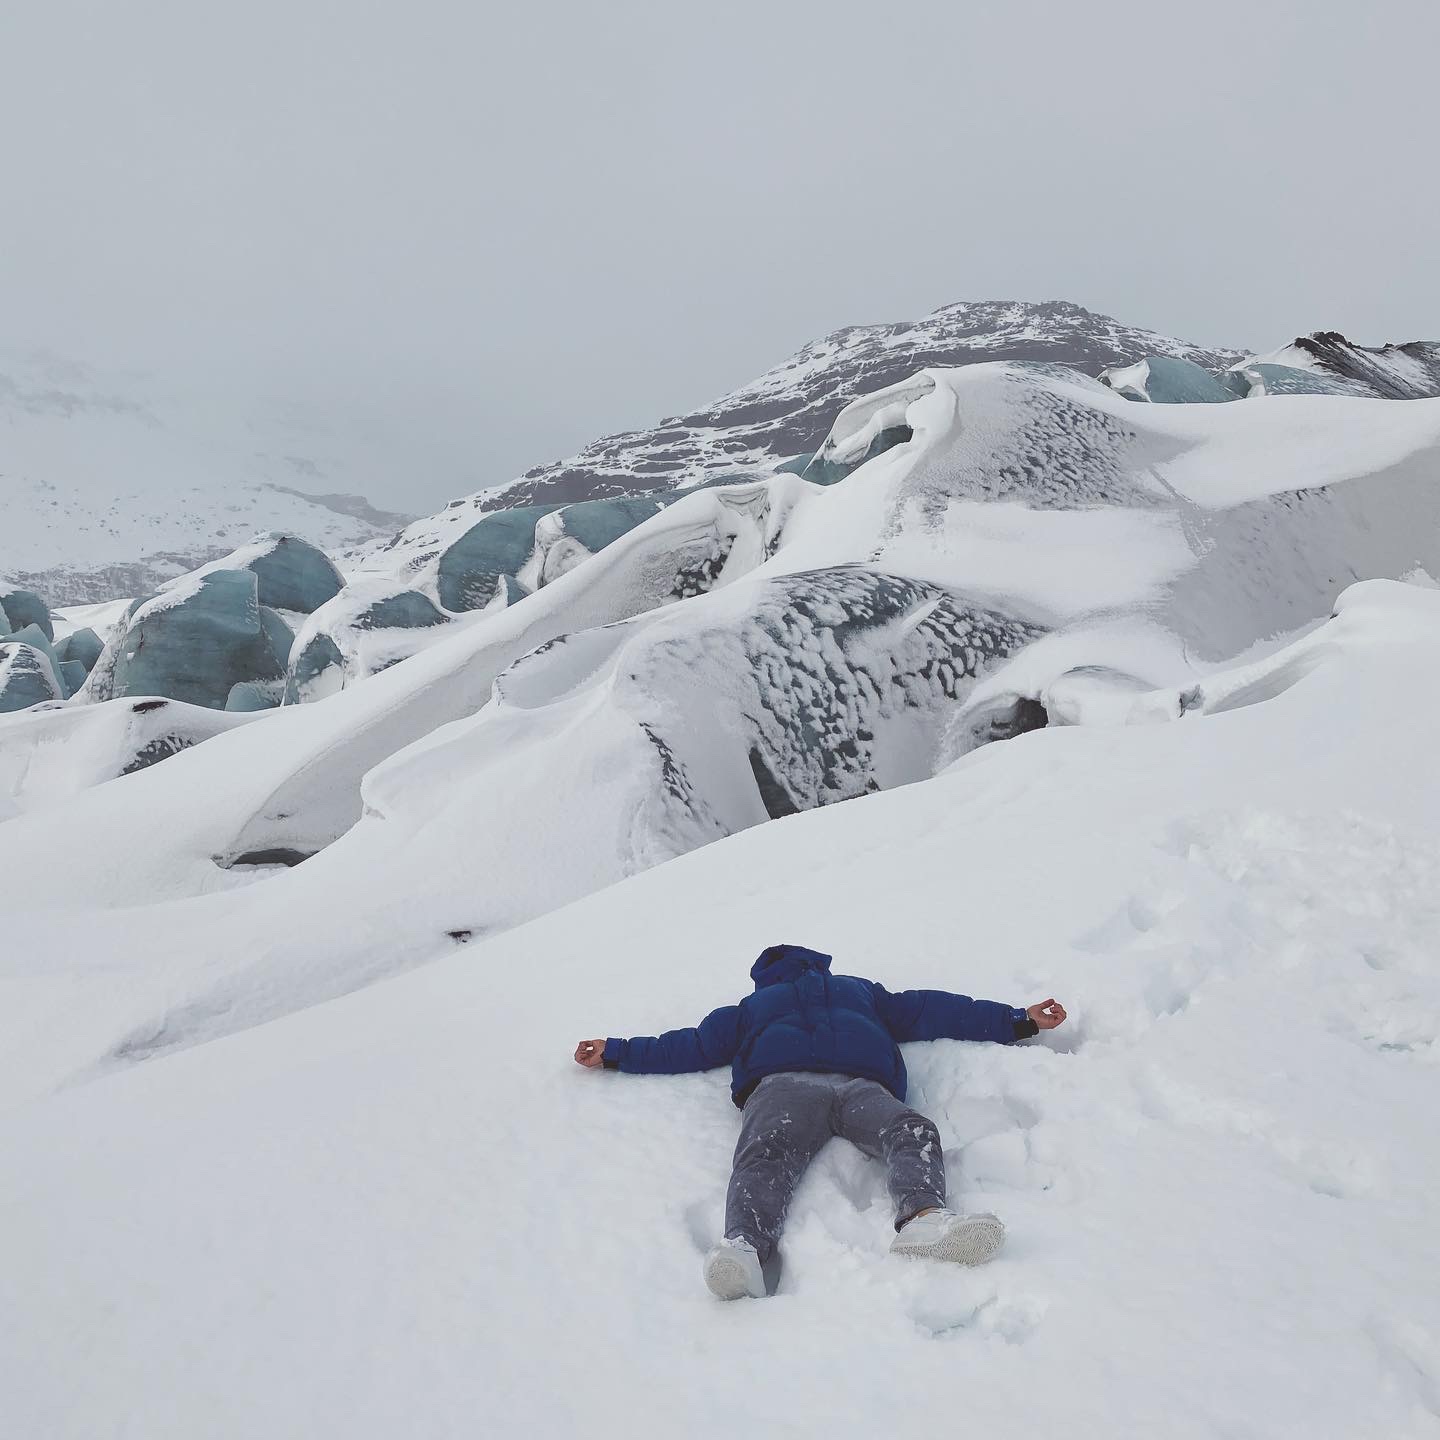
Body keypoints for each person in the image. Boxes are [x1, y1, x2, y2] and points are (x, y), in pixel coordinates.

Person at [574, 942, 1067, 1300]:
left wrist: (1015, 1020)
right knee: (828, 1144)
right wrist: (616, 1052)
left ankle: (920, 1224)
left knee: (871, 1136)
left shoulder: (847, 993)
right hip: (798, 1085)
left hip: (845, 1086)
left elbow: (927, 1009)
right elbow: (692, 1045)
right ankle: (745, 1248)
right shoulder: (769, 1006)